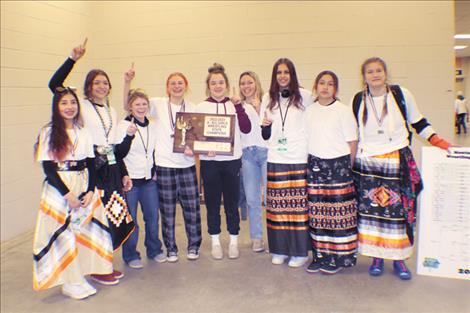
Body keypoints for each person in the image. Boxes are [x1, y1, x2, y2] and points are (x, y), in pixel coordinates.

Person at [352, 57, 452, 280]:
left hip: (397, 160)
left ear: (385, 74)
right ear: (364, 76)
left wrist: (440, 142)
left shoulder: (401, 94)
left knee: (398, 213)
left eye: (379, 70)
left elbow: (419, 123)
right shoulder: (359, 99)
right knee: (372, 214)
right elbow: (354, 133)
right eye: (370, 71)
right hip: (368, 164)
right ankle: (376, 258)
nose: (375, 74)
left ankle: (399, 259)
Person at [48, 40, 136, 285]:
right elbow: (54, 86)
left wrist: (124, 172)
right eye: (97, 82)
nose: (102, 86)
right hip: (91, 169)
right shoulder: (81, 106)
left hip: (111, 169)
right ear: (88, 87)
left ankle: (102, 263)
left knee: (113, 215)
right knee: (95, 218)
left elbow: (114, 146)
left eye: (105, 83)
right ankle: (95, 267)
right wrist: (72, 59)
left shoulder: (111, 111)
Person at [33, 87, 114, 299]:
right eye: (64, 103)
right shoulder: (48, 132)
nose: (69, 107)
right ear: (56, 107)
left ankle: (79, 276)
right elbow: (49, 169)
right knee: (63, 234)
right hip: (59, 188)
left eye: (72, 103)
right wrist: (67, 195)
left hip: (83, 183)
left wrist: (89, 191)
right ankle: (69, 282)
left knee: (82, 232)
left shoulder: (83, 131)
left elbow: (90, 164)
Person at [124, 68, 202, 262]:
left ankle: (194, 246)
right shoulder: (158, 104)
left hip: (187, 164)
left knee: (192, 208)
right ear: (167, 87)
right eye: (173, 83)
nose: (177, 86)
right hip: (165, 165)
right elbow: (130, 105)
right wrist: (127, 82)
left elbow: (200, 136)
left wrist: (195, 148)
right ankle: (171, 248)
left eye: (180, 83)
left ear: (186, 86)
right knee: (167, 210)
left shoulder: (192, 106)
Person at [260, 58, 313, 267]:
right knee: (278, 207)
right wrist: (265, 126)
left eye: (286, 72)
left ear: (292, 75)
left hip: (298, 157)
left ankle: (300, 252)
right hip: (276, 157)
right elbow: (264, 134)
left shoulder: (306, 96)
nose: (282, 76)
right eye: (279, 72)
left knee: (298, 208)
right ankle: (280, 249)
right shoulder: (267, 98)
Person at [304, 71, 358, 275]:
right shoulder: (309, 111)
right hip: (315, 165)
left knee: (337, 214)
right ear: (316, 86)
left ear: (336, 89)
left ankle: (338, 257)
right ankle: (320, 255)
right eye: (322, 83)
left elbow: (352, 141)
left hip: (339, 167)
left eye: (330, 84)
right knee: (318, 213)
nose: (325, 87)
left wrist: (347, 169)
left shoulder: (343, 111)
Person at [196, 63, 251, 260]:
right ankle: (216, 242)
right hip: (210, 162)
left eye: (221, 82)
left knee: (231, 201)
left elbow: (246, 129)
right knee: (211, 202)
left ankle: (234, 242)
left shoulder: (235, 104)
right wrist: (203, 148)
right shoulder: (201, 107)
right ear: (208, 86)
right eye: (213, 83)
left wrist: (238, 106)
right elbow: (195, 136)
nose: (217, 86)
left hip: (232, 160)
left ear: (227, 84)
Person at [117, 88, 166, 269]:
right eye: (137, 104)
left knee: (153, 218)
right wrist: (128, 137)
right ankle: (130, 254)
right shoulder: (122, 126)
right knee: (132, 222)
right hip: (130, 182)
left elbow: (153, 151)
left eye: (144, 104)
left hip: (148, 181)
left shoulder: (152, 126)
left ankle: (154, 250)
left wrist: (154, 170)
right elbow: (118, 153)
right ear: (130, 107)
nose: (141, 107)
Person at [238, 71, 268, 252]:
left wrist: (259, 109)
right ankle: (257, 237)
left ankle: (276, 236)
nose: (246, 86)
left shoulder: (267, 102)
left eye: (250, 82)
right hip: (247, 154)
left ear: (256, 83)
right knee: (252, 199)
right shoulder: (238, 106)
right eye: (243, 83)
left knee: (273, 198)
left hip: (266, 153)